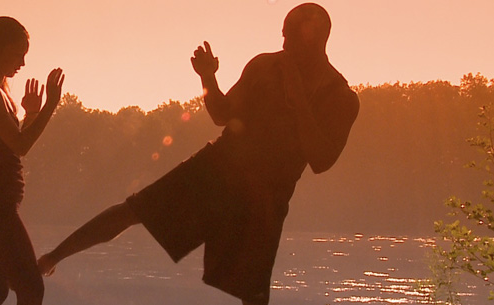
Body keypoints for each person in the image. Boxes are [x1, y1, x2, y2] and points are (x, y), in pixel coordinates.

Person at [36, 3, 358, 305]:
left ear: (314, 37)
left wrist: (299, 98)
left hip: (265, 197)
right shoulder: (264, 65)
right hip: (218, 167)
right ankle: (51, 258)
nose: (284, 42)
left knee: (253, 295)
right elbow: (222, 114)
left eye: (290, 34)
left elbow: (322, 160)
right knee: (133, 210)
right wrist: (208, 77)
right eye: (283, 33)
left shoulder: (341, 97)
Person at [0, 16, 64, 305]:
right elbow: (20, 146)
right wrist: (50, 106)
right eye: (18, 54)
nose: (22, 63)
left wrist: (31, 113)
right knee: (32, 289)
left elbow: (13, 143)